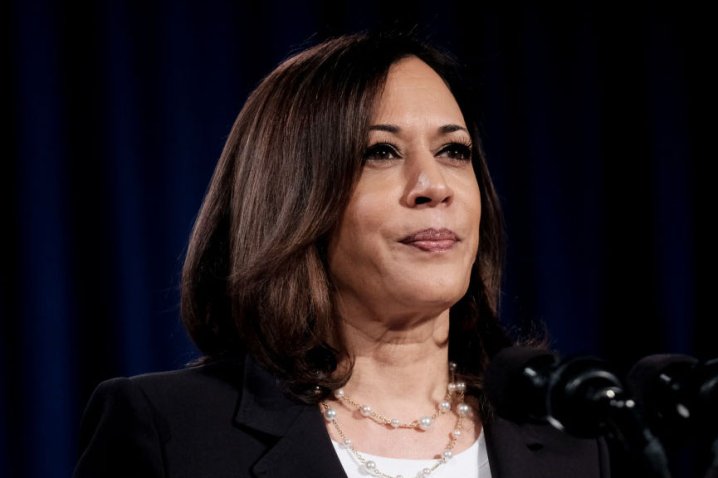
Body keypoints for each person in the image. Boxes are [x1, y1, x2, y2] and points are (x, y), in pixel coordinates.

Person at [73, 29, 610, 478]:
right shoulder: (173, 432)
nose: (433, 185)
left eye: (453, 151)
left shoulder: (572, 442)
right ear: (294, 197)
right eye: (381, 152)